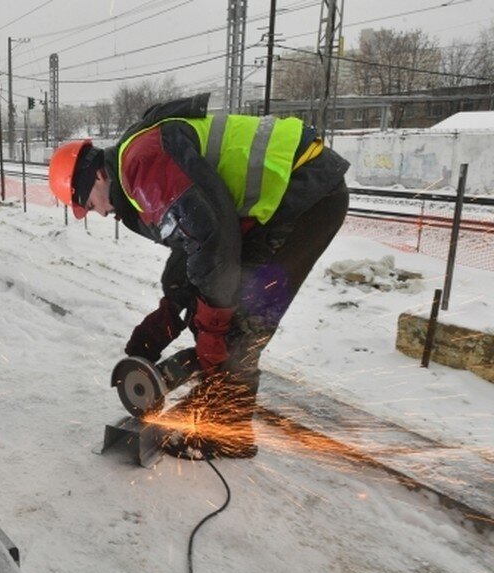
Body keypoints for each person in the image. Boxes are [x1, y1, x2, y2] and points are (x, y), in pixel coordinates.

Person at [48, 93, 350, 459]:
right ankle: (215, 403)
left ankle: (226, 434)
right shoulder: (134, 168)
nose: (96, 212)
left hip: (305, 193)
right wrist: (171, 309)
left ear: (97, 175)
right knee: (204, 299)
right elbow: (191, 243)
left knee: (240, 322)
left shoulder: (140, 167)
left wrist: (213, 327)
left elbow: (212, 242)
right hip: (283, 196)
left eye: (90, 203)